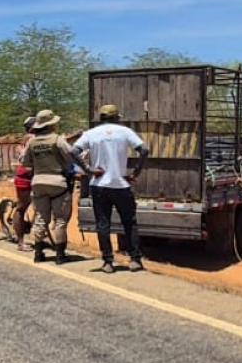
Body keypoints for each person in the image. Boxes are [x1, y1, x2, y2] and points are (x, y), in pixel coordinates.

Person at [71, 104, 150, 273]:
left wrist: (88, 170)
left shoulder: (91, 134)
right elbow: (144, 150)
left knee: (102, 223)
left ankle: (107, 262)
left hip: (99, 186)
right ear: (116, 117)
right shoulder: (125, 132)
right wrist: (135, 172)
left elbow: (73, 151)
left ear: (101, 118)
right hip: (121, 185)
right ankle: (135, 259)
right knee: (129, 223)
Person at [21, 109, 96, 264]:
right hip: (58, 183)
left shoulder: (32, 142)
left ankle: (38, 253)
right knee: (60, 219)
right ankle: (60, 255)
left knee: (41, 218)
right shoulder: (57, 139)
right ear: (51, 124)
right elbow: (72, 154)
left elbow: (24, 161)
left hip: (38, 183)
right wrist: (86, 168)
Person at [12, 116, 37, 251]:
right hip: (26, 176)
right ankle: (21, 242)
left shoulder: (32, 138)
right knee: (21, 208)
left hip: (33, 176)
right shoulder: (30, 138)